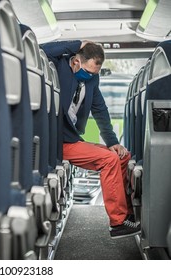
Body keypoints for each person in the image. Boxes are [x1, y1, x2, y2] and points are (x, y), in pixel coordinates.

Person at [41, 40, 141, 239]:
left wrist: (112, 141)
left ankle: (127, 214)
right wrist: (78, 43)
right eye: (88, 72)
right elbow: (41, 50)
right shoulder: (58, 65)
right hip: (57, 142)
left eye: (95, 74)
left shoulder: (91, 80)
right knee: (108, 160)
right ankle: (118, 223)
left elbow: (100, 110)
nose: (91, 76)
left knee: (120, 155)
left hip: (72, 139)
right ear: (76, 61)